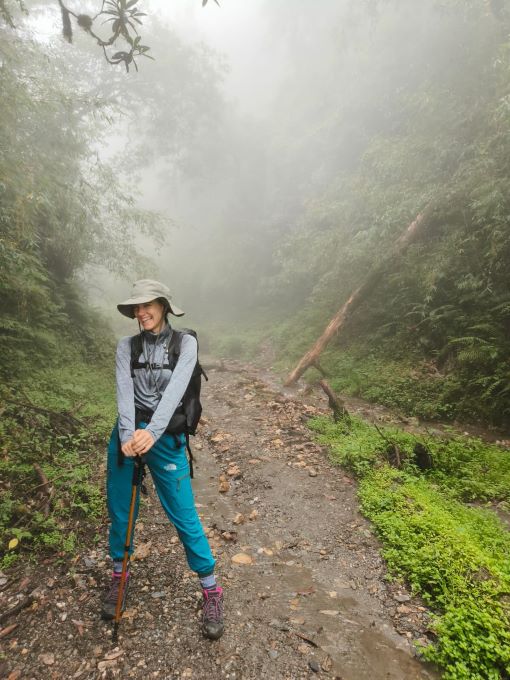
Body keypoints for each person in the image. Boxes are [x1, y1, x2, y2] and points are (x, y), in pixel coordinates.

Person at [101, 279, 224, 640]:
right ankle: (119, 579)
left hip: (165, 436)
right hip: (128, 435)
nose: (141, 313)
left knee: (184, 514)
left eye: (147, 305)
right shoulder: (126, 346)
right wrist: (127, 436)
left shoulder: (185, 343)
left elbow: (173, 395)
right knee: (121, 510)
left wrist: (150, 434)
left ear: (164, 305)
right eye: (136, 308)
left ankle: (212, 590)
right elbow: (124, 393)